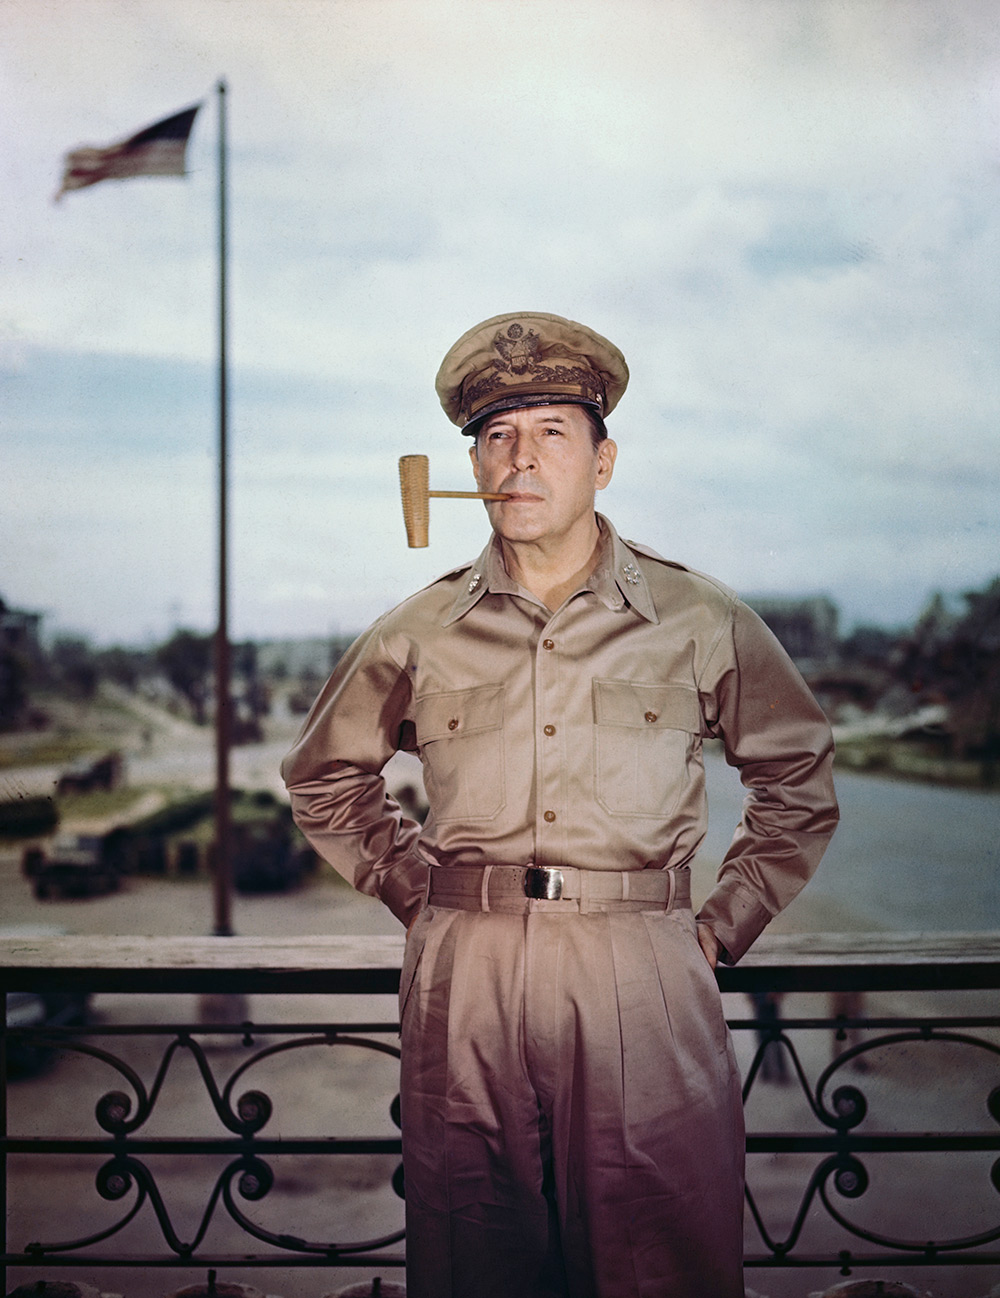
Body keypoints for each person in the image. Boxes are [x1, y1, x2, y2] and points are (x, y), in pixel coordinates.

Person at [281, 311, 839, 1298]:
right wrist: (422, 894)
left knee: (660, 1255)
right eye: (497, 436)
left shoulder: (699, 618)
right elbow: (323, 776)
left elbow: (797, 778)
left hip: (641, 962)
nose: (521, 458)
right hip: (468, 974)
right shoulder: (419, 629)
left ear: (602, 461)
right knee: (475, 1252)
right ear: (472, 464)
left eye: (551, 432)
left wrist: (719, 925)